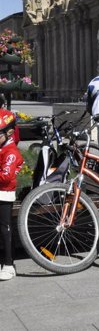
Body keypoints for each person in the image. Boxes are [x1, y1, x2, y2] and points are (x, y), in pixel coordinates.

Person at [0, 112, 23, 281]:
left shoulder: (11, 152)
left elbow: (6, 176)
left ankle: (9, 264)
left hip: (4, 194)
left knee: (5, 230)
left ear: (8, 133)